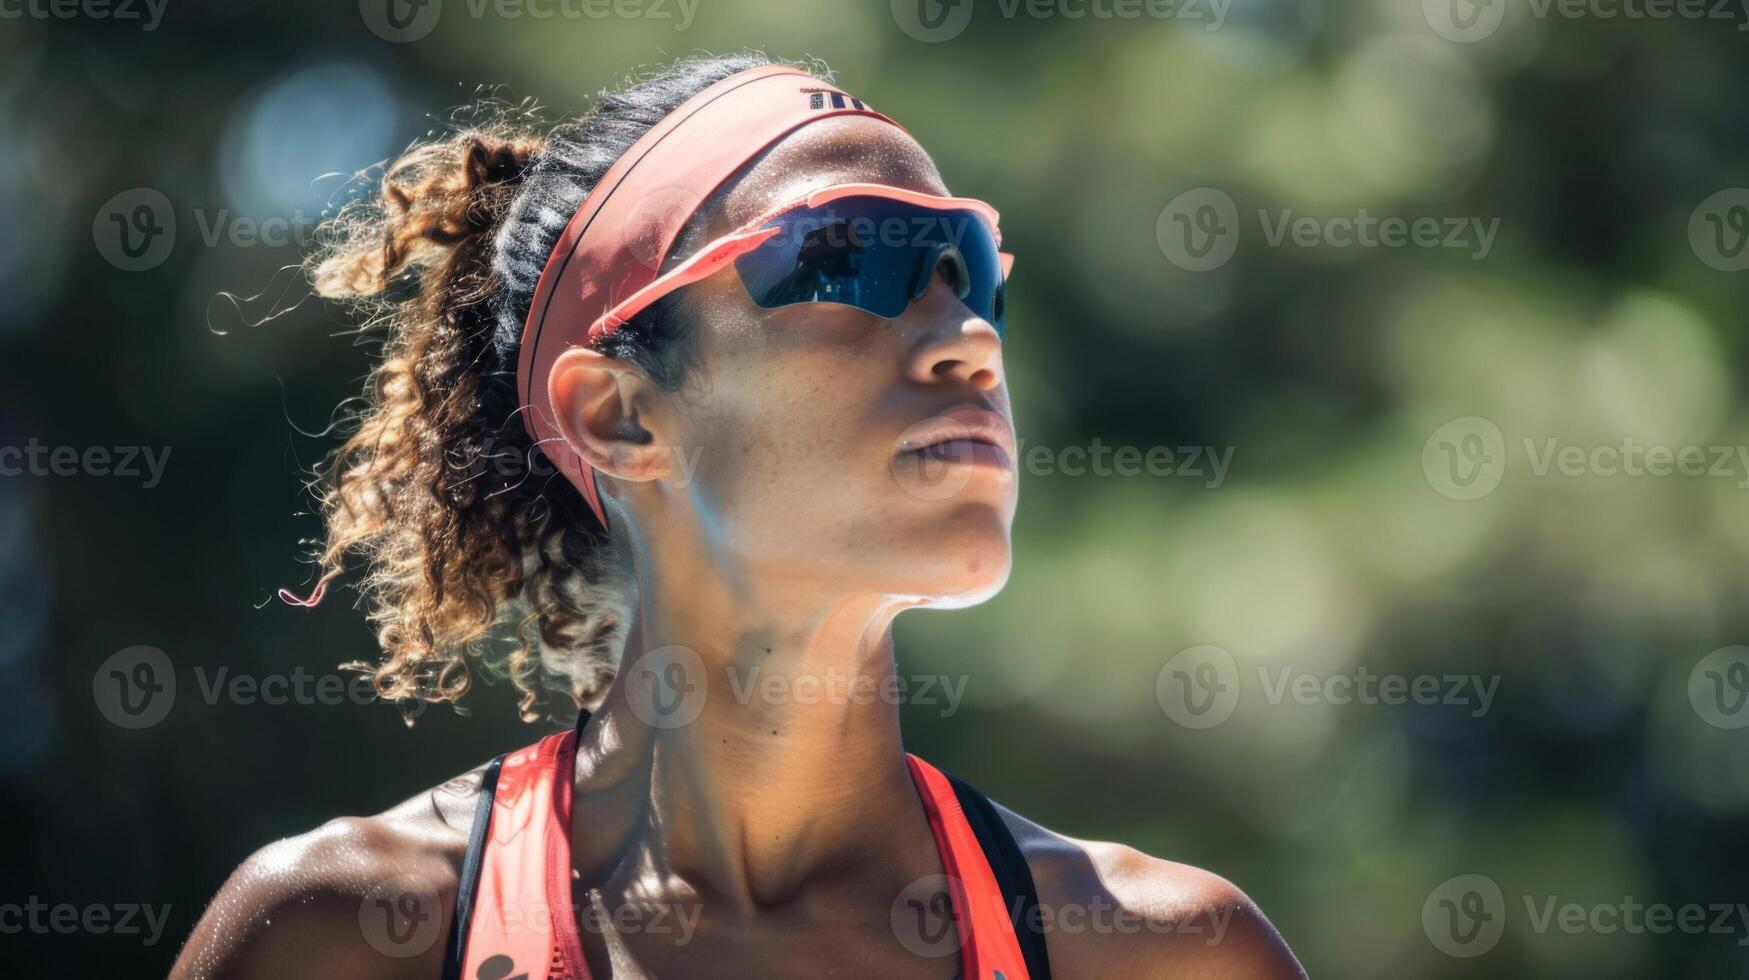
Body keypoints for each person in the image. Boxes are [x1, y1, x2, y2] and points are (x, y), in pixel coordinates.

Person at [170, 52, 1305, 979]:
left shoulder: (1170, 954)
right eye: (846, 256)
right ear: (618, 415)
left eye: (966, 266)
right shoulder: (343, 936)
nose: (970, 334)